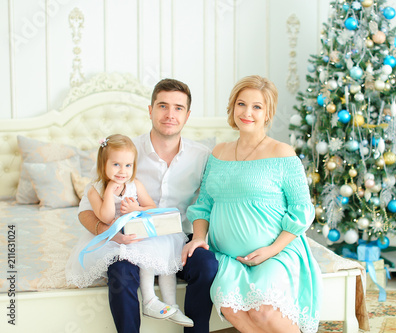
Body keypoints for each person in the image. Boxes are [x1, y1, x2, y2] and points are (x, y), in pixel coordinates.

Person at [76, 79, 217, 333]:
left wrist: (198, 238)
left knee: (207, 264)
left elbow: (208, 203)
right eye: (163, 106)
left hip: (177, 238)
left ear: (187, 115)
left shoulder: (202, 155)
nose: (170, 115)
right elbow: (85, 209)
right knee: (119, 271)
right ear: (150, 110)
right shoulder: (124, 152)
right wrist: (109, 232)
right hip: (131, 238)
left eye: (178, 108)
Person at [184, 75, 322, 333]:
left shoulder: (282, 153)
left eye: (257, 107)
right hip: (228, 258)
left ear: (268, 113)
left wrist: (271, 250)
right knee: (231, 307)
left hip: (275, 253)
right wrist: (199, 238)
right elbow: (203, 205)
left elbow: (302, 211)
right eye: (241, 104)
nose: (247, 112)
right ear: (232, 107)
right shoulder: (218, 153)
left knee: (263, 311)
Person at [66, 134, 193, 326]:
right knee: (140, 256)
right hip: (112, 236)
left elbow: (151, 207)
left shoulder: (134, 185)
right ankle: (150, 300)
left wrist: (137, 209)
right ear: (103, 164)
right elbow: (106, 218)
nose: (122, 171)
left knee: (162, 251)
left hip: (136, 231)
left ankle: (171, 305)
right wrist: (109, 192)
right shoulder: (95, 189)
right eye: (116, 164)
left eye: (128, 165)